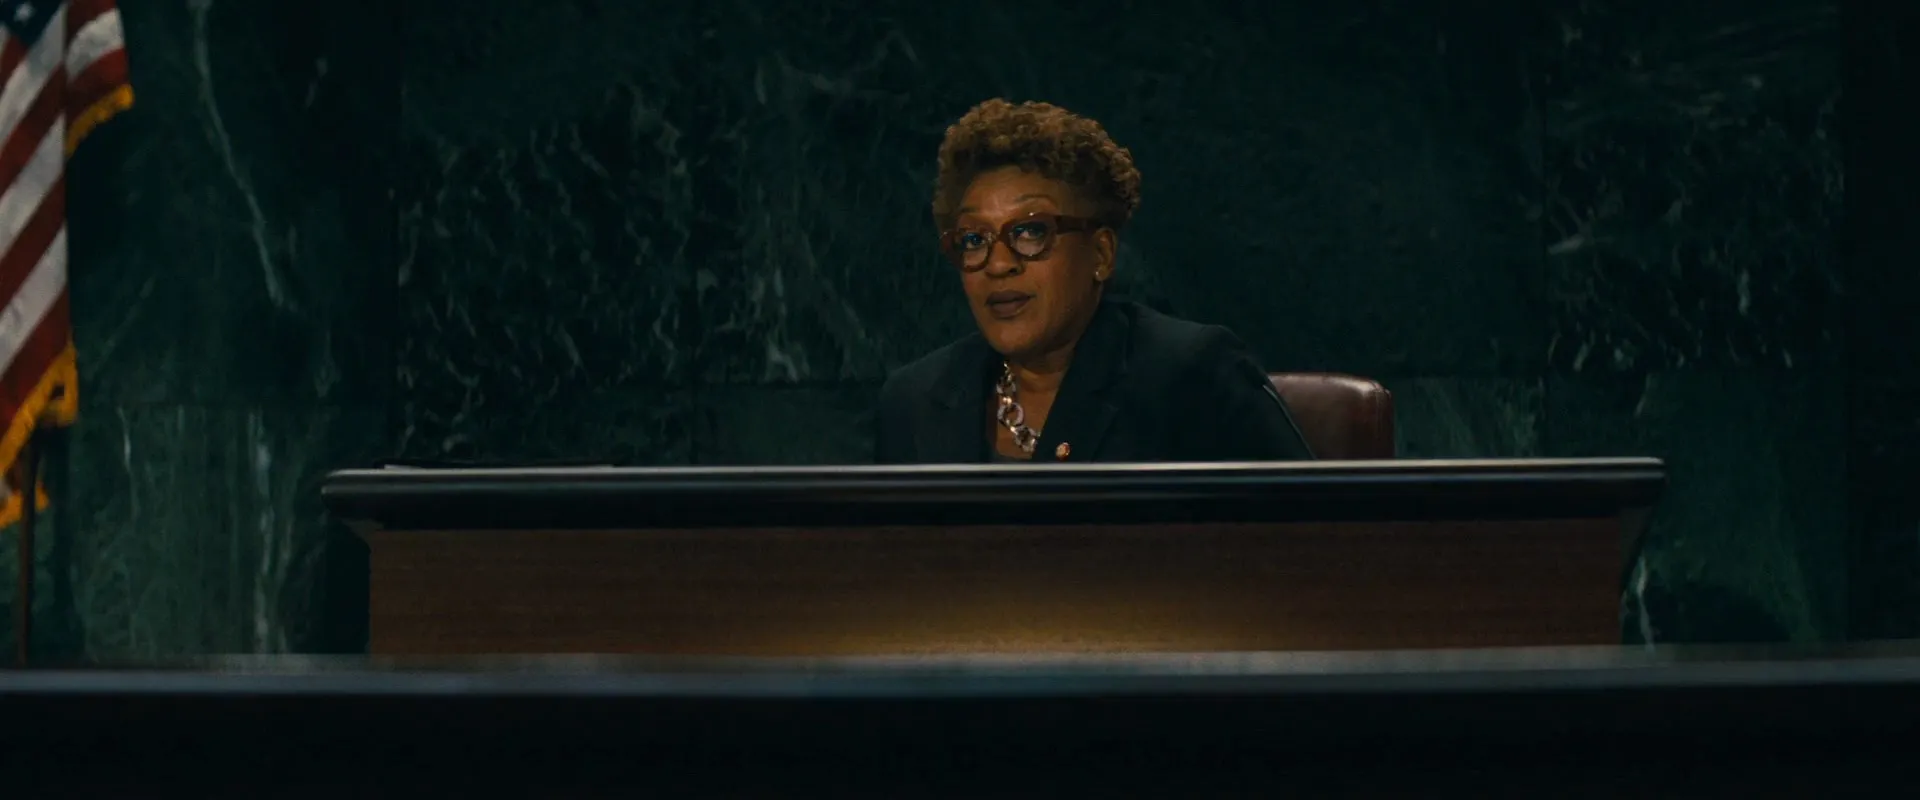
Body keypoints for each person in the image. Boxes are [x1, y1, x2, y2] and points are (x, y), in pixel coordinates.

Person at [875, 99, 1315, 464]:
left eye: (1030, 232)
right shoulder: (914, 401)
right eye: (974, 239)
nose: (998, 264)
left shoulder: (1193, 379)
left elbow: (1313, 535)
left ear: (1101, 254)